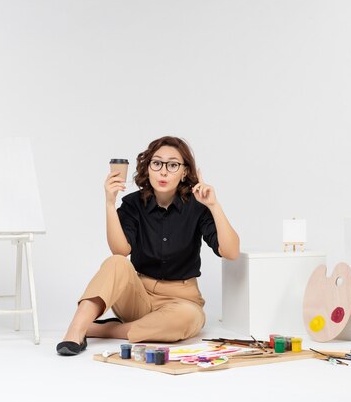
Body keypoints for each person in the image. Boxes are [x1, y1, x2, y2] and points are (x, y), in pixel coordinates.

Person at [56, 136, 240, 355]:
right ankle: (76, 329)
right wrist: (109, 203)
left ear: (184, 172)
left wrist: (213, 205)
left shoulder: (197, 206)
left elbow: (231, 252)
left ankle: (103, 330)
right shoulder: (133, 203)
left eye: (172, 165)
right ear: (148, 167)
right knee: (116, 262)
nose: (163, 171)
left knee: (188, 319)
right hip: (138, 297)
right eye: (157, 163)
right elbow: (121, 250)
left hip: (181, 301)